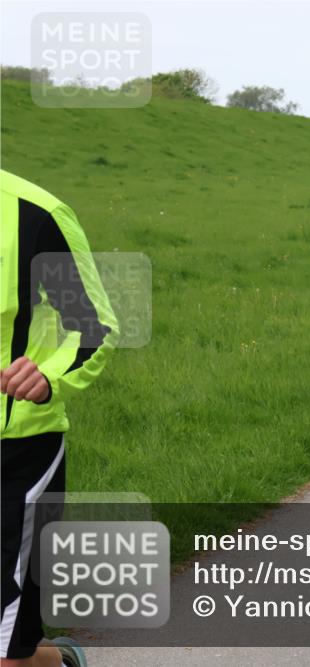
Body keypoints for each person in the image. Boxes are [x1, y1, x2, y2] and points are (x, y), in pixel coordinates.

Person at [1, 170, 118, 667]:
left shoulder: (36, 215)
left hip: (18, 454)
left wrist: (47, 377)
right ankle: (60, 661)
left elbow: (94, 327)